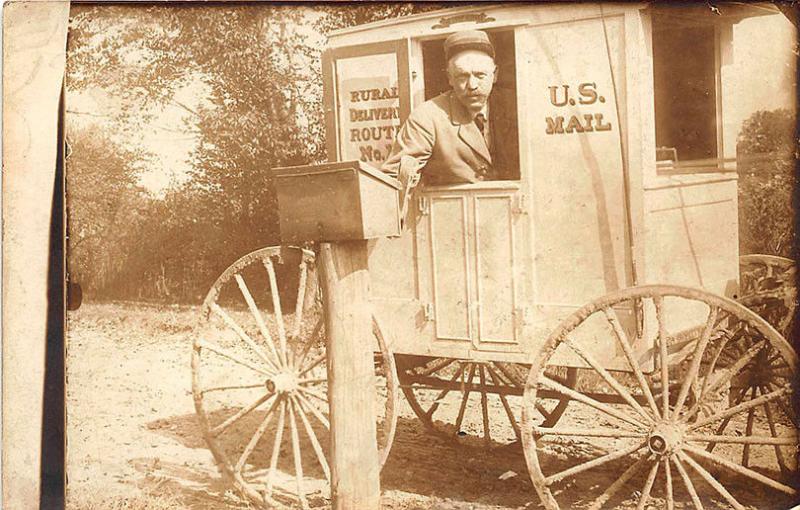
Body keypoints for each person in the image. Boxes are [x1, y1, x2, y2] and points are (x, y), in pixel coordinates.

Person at [381, 30, 517, 187]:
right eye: (462, 76)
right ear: (450, 78)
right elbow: (395, 178)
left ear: (495, 75)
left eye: (480, 75)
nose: (472, 85)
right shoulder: (427, 116)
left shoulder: (518, 106)